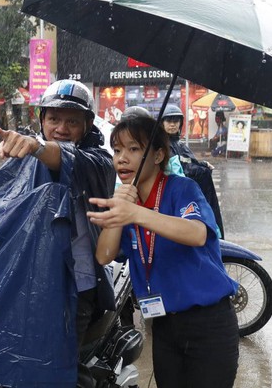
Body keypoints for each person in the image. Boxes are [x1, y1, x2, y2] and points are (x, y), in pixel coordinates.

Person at [89, 113, 239, 388]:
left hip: (209, 324)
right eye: (118, 150)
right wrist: (120, 208)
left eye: (134, 149)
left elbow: (197, 233)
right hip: (163, 326)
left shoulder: (181, 189)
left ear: (158, 156)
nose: (122, 158)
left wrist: (135, 213)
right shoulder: (128, 202)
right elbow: (104, 255)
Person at [0, 79, 116, 387]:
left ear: (87, 125)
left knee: (59, 366)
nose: (62, 128)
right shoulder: (28, 156)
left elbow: (63, 158)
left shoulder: (99, 161)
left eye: (72, 121)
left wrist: (35, 147)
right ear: (42, 120)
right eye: (54, 119)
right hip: (30, 279)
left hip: (76, 284)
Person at [160, 105, 223, 237]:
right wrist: (200, 171)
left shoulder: (180, 144)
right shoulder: (162, 145)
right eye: (169, 121)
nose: (172, 125)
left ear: (180, 123)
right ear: (162, 123)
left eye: (175, 121)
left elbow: (187, 162)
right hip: (177, 197)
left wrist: (202, 165)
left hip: (193, 194)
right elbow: (176, 172)